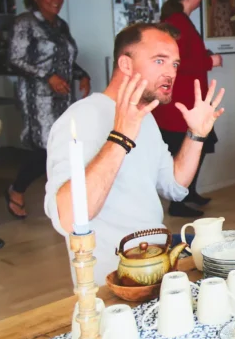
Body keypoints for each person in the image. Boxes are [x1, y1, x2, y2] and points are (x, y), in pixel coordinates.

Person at [43, 23, 225, 284]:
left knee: (233, 253)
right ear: (126, 65)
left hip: (158, 258)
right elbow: (69, 218)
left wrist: (196, 134)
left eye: (174, 64)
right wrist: (120, 137)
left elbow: (174, 186)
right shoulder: (79, 119)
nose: (170, 72)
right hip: (116, 277)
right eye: (159, 60)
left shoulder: (145, 118)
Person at [5, 0, 90, 219]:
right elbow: (15, 59)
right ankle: (17, 190)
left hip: (62, 96)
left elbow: (65, 60)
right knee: (45, 147)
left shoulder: (59, 25)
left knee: (63, 146)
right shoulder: (25, 23)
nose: (56, 0)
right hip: (36, 97)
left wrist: (81, 74)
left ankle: (63, 200)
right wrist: (47, 76)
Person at [153, 0, 222, 217]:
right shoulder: (177, 22)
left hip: (189, 98)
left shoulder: (180, 20)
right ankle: (178, 201)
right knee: (185, 148)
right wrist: (209, 61)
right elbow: (178, 62)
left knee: (198, 146)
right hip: (180, 101)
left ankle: (188, 191)